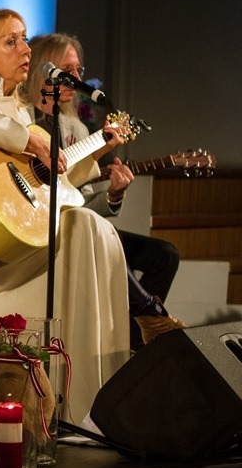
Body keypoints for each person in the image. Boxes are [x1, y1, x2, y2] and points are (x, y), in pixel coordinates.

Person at [0, 8, 130, 425]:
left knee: (93, 228)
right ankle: (77, 406)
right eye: (11, 41)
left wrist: (93, 150)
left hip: (19, 242)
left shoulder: (21, 110)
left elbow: (39, 191)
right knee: (82, 227)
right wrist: (29, 142)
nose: (26, 49)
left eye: (23, 38)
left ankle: (97, 398)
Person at [23, 33, 184, 350]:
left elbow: (76, 204)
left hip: (74, 228)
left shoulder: (78, 131)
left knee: (164, 255)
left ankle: (135, 342)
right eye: (69, 69)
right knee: (102, 242)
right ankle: (151, 316)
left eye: (80, 70)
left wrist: (113, 195)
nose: (78, 79)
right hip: (35, 233)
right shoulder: (21, 121)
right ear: (45, 72)